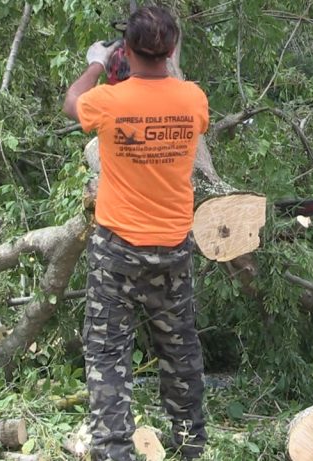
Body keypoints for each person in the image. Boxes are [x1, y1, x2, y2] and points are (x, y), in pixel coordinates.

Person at [62, 6, 208, 460]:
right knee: (179, 348)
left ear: (126, 47)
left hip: (117, 249)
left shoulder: (109, 100)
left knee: (107, 355)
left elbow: (72, 103)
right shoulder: (193, 99)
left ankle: (112, 451)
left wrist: (97, 62)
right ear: (172, 47)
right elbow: (162, 97)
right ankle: (189, 446)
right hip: (173, 245)